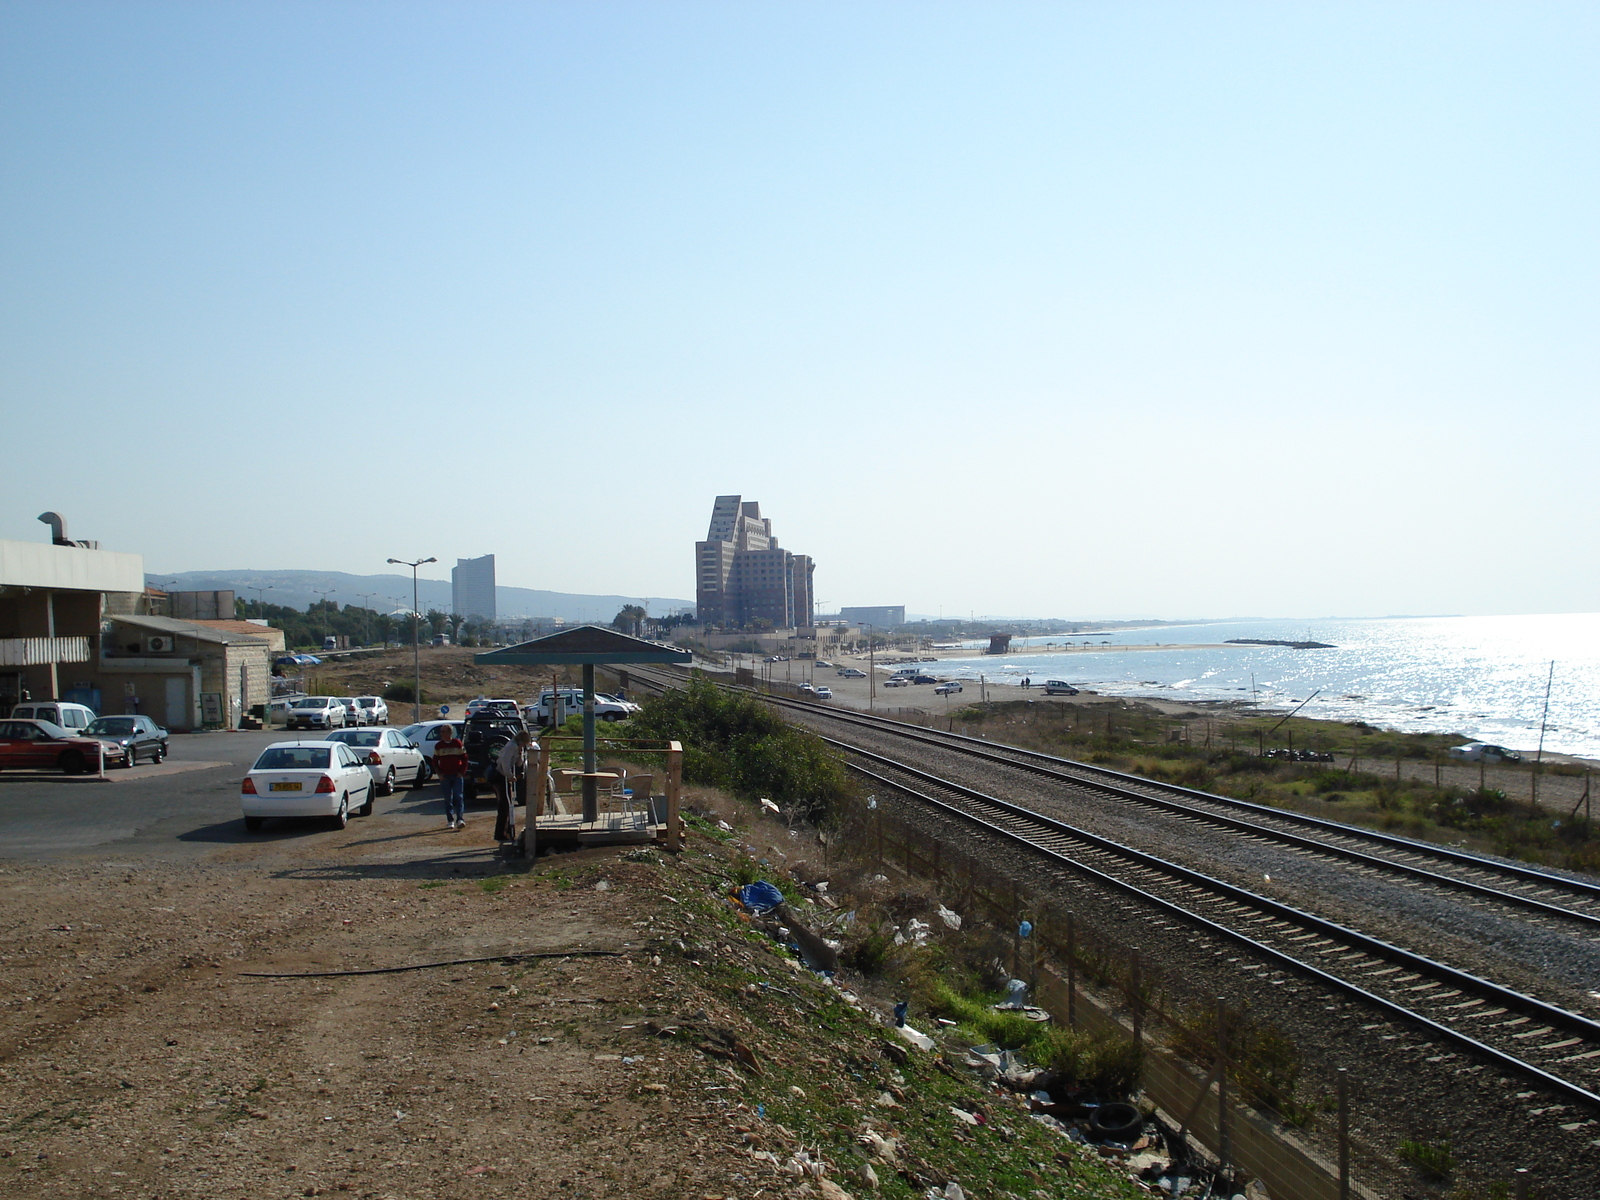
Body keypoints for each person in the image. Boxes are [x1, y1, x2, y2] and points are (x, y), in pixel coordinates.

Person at [493, 729, 535, 843]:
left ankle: (506, 831)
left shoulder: (517, 748)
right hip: (501, 776)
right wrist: (510, 776)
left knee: (507, 804)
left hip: (506, 777)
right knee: (504, 804)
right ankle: (501, 833)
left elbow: (519, 763)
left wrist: (521, 753)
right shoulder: (511, 746)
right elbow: (504, 763)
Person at [432, 724, 468, 830]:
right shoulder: (438, 746)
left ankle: (460, 819)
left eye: (443, 732)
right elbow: (434, 761)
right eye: (441, 732)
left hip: (456, 775)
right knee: (448, 799)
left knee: (458, 797)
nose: (441, 734)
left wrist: (462, 772)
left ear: (449, 733)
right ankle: (450, 820)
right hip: (445, 776)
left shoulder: (457, 744)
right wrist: (439, 774)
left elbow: (465, 758)